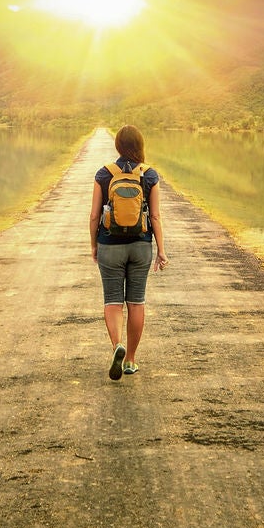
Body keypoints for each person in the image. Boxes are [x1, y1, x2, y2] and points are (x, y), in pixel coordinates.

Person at [91, 124, 168, 380]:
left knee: (112, 301)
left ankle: (117, 347)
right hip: (140, 246)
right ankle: (131, 360)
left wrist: (94, 245)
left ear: (118, 146)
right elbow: (155, 216)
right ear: (140, 145)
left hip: (109, 245)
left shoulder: (104, 174)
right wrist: (161, 250)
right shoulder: (149, 175)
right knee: (136, 302)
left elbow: (94, 216)